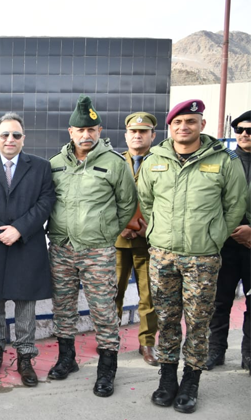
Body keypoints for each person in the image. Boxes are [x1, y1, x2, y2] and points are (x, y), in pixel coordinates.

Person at [138, 99, 246, 413]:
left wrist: (215, 236)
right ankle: (167, 378)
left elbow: (236, 204)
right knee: (166, 319)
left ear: (202, 125)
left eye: (190, 121)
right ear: (169, 127)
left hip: (203, 257)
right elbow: (146, 201)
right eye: (177, 122)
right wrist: (158, 231)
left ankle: (191, 380)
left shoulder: (224, 160)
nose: (183, 127)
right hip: (163, 255)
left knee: (198, 321)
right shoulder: (155, 159)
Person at [47, 95, 136, 398]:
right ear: (70, 132)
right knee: (63, 306)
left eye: (91, 130)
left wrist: (106, 232)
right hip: (62, 247)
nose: (86, 135)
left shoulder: (114, 164)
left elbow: (127, 204)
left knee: (103, 309)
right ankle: (67, 358)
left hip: (97, 250)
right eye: (80, 130)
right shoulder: (56, 164)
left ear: (100, 131)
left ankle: (107, 368)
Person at [0, 112, 55, 387]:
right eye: (5, 134)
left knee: (25, 304)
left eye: (16, 135)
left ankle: (25, 356)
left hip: (26, 244)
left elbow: (45, 202)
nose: (10, 139)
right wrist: (0, 231)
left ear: (23, 138)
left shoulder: (41, 167)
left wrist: (19, 229)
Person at [204, 110, 251, 374]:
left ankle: (249, 354)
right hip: (225, 242)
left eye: (250, 130)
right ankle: (215, 350)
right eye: (239, 130)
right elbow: (210, 200)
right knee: (219, 301)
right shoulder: (224, 161)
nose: (244, 134)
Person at [114, 112, 160, 366]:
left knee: (148, 296)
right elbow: (104, 197)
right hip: (118, 241)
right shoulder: (115, 161)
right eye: (133, 131)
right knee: (113, 293)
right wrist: (120, 226)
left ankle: (147, 343)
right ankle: (110, 340)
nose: (137, 136)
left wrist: (149, 228)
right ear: (126, 135)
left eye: (143, 132)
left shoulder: (162, 162)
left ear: (153, 135)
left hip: (149, 241)